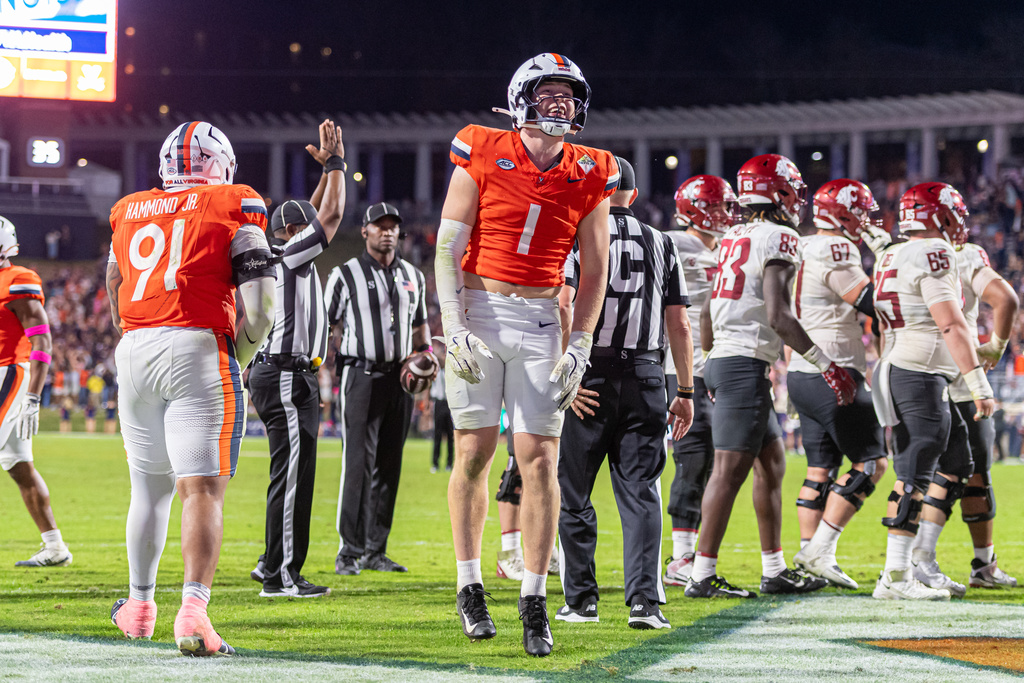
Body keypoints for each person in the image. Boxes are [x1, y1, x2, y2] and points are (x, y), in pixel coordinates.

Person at [436, 53, 616, 656]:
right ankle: (469, 586)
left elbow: (596, 269)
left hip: (541, 317)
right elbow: (445, 247)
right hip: (480, 310)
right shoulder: (481, 146)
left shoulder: (594, 168)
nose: (562, 104)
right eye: (550, 94)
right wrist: (453, 324)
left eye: (570, 95)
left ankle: (535, 599)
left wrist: (582, 341)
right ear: (522, 99)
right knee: (474, 450)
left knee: (539, 459)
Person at [107, 121, 278, 654]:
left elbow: (114, 278)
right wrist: (240, 354)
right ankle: (192, 614)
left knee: (148, 488)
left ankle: (138, 607)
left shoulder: (129, 209)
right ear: (217, 163)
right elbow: (265, 309)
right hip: (198, 344)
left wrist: (134, 330)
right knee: (201, 489)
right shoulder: (235, 202)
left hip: (135, 349)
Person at [688, 154, 853, 599]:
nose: (798, 197)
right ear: (779, 192)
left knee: (772, 463)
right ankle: (701, 576)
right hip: (742, 362)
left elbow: (706, 310)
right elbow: (780, 316)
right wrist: (826, 364)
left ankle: (774, 570)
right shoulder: (780, 235)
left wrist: (712, 360)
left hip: (731, 360)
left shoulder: (733, 235)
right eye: (793, 188)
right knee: (727, 471)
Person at [555, 157, 693, 629]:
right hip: (648, 377)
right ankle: (644, 604)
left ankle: (582, 602)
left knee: (573, 492)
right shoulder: (662, 242)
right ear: (632, 196)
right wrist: (687, 389)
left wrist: (565, 378)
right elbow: (680, 321)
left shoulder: (580, 234)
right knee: (641, 493)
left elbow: (564, 304)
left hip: (589, 377)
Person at [870, 182, 995, 601]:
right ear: (940, 216)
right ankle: (895, 575)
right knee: (915, 472)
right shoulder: (932, 251)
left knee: (958, 461)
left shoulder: (891, 251)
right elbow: (952, 325)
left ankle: (918, 561)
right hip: (918, 371)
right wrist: (978, 384)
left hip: (903, 365)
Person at [248, 119, 346, 599]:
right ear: (290, 231)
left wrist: (327, 171)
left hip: (289, 374)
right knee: (291, 479)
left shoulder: (287, 252)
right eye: (298, 225)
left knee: (294, 475)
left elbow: (311, 214)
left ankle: (273, 560)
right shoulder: (286, 254)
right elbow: (326, 220)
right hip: (284, 374)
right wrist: (338, 166)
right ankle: (279, 576)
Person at [787, 179, 889, 589]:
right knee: (872, 463)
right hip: (835, 369)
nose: (866, 219)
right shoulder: (836, 247)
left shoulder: (803, 244)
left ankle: (809, 554)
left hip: (801, 370)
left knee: (820, 468)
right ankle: (820, 551)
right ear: (843, 214)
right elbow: (870, 301)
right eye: (860, 211)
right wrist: (885, 254)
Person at [325, 201, 433, 576]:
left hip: (399, 378)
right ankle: (348, 551)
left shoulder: (413, 276)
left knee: (390, 465)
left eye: (392, 226)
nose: (387, 231)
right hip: (361, 375)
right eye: (379, 225)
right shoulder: (345, 274)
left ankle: (376, 550)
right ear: (365, 231)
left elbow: (421, 328)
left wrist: (427, 356)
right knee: (357, 464)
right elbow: (327, 323)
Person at [909, 235, 1018, 591]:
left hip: (912, 376)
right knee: (958, 472)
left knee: (931, 472)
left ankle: (975, 564)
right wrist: (996, 348)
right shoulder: (963, 254)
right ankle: (920, 560)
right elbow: (1005, 298)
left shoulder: (898, 255)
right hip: (959, 379)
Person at [661, 175, 736, 586]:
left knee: (710, 460)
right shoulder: (670, 242)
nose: (727, 215)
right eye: (720, 206)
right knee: (692, 458)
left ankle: (688, 555)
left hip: (718, 366)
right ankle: (681, 557)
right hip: (679, 369)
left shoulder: (727, 248)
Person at [0, 216, 72, 569]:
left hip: (10, 373)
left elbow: (41, 341)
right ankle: (55, 546)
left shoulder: (18, 280)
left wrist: (32, 395)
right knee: (18, 467)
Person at [431, 358, 454, 473]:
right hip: (439, 403)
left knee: (451, 436)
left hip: (449, 403)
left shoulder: (452, 373)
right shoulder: (437, 373)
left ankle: (449, 463)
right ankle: (435, 463)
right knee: (437, 435)